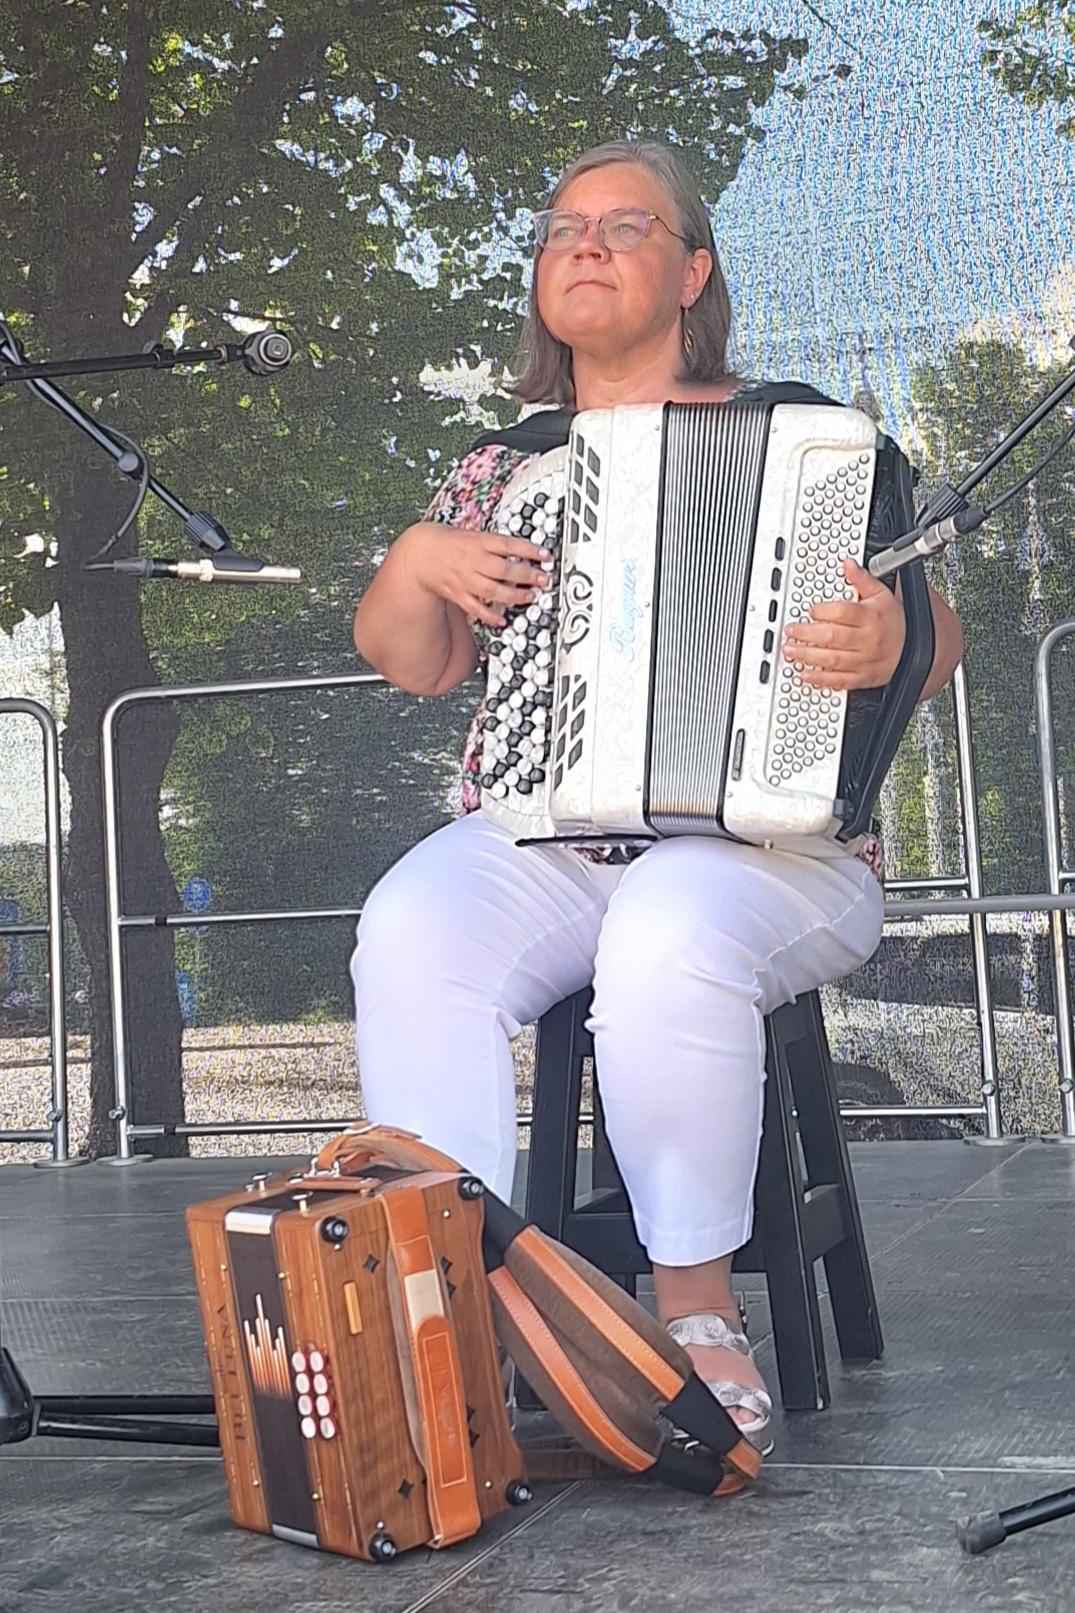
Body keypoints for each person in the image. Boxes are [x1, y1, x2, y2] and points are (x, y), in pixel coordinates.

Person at [350, 138, 964, 1454]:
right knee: (409, 925)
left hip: (779, 854)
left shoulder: (804, 439)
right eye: (563, 227)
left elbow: (933, 637)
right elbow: (416, 661)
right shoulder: (499, 466)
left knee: (668, 921)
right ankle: (445, 1309)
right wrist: (416, 559)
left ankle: (693, 1311)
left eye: (625, 225)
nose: (584, 243)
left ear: (693, 273)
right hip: (552, 836)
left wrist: (886, 642)